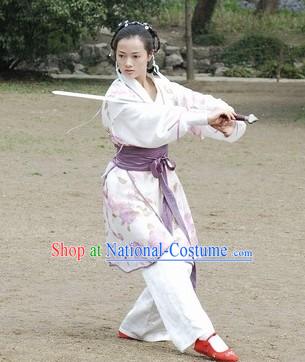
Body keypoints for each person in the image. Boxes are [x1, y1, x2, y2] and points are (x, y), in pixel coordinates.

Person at [101, 20, 246, 362]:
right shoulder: (117, 95)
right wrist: (198, 118)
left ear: (150, 55)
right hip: (126, 186)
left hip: (161, 181)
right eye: (121, 56)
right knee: (165, 253)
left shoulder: (162, 85)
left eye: (136, 56)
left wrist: (222, 118)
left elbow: (192, 102)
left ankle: (139, 325)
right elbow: (154, 125)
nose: (128, 64)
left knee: (181, 253)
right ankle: (201, 334)